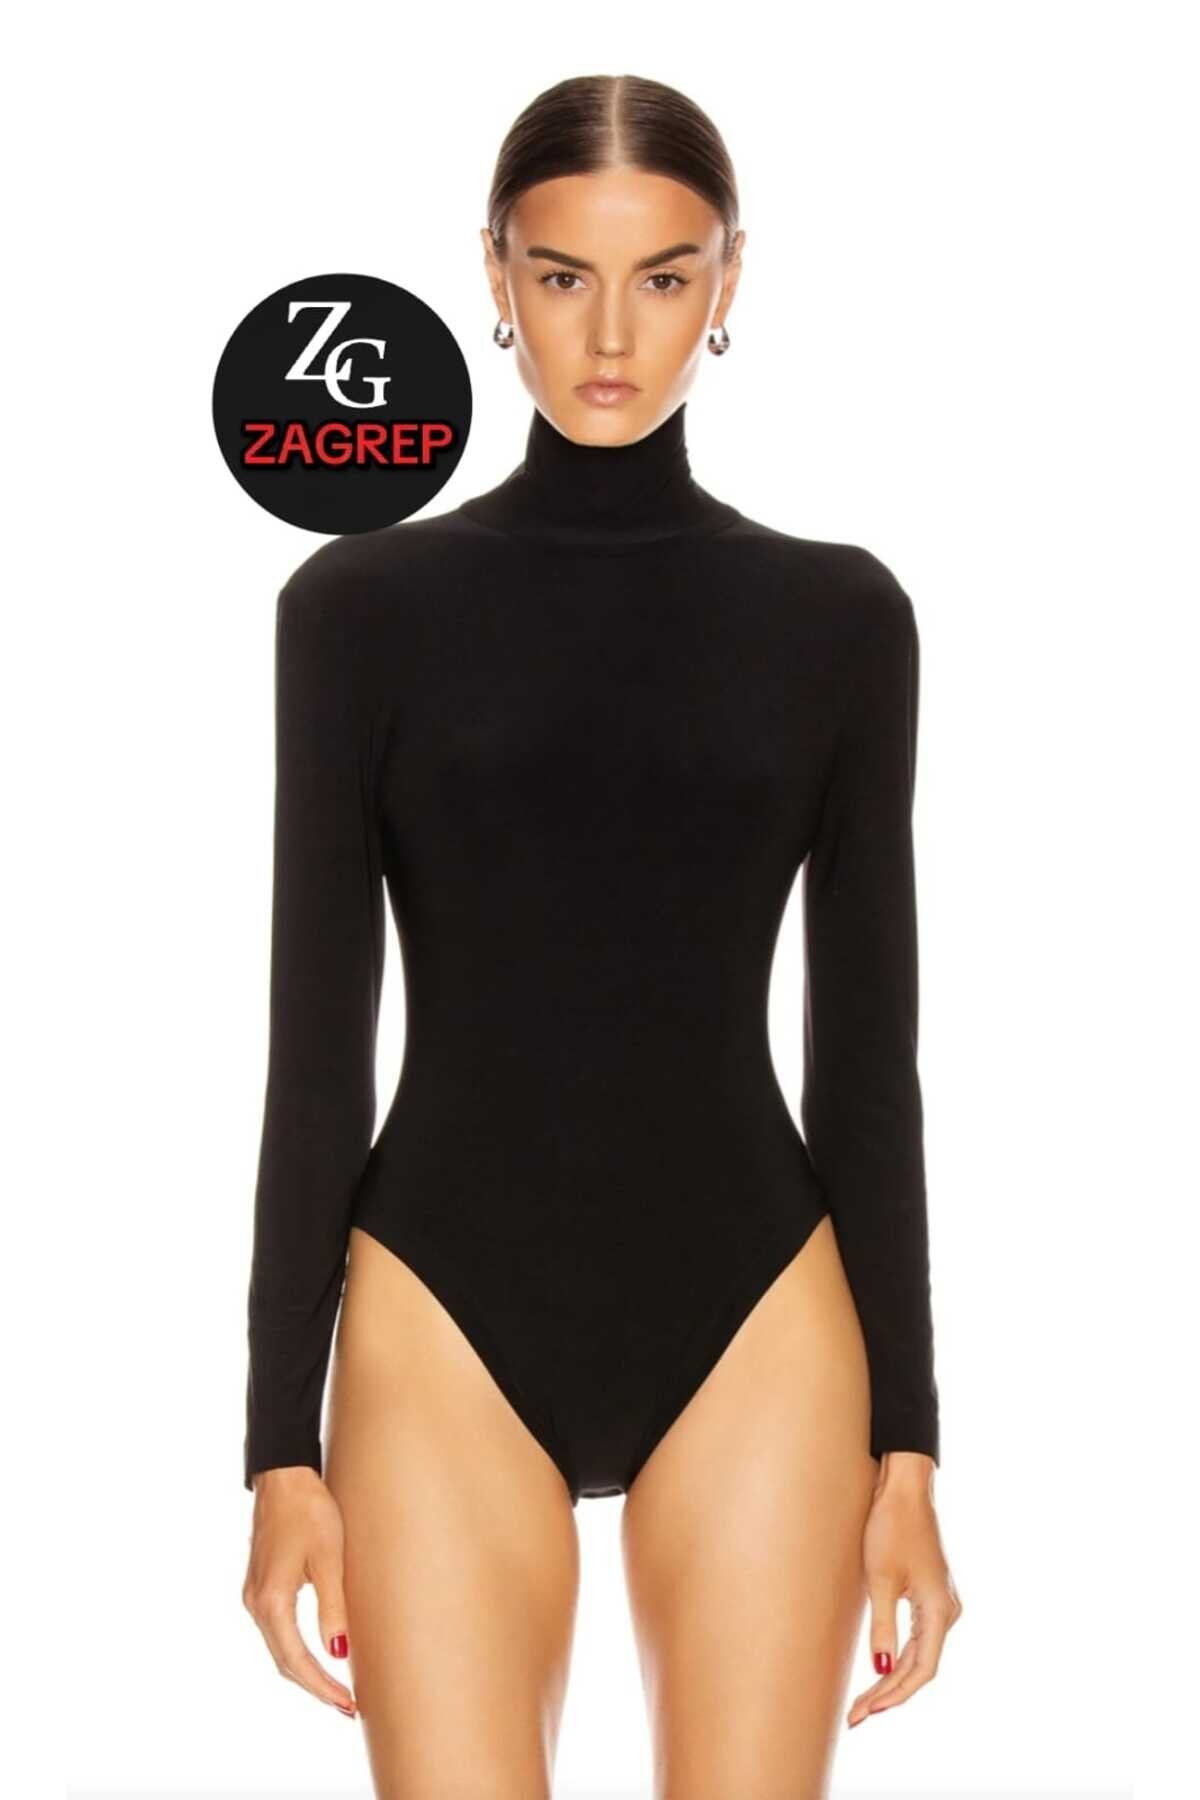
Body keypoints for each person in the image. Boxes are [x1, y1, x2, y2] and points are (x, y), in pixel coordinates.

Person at [241, 72, 963, 1800]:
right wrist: (275, 1449)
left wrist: (912, 1449)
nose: (614, 335)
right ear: (496, 275)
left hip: (759, 1307)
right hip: (440, 1306)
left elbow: (868, 1068)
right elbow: (315, 1053)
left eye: (665, 276)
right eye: (565, 276)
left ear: (730, 281)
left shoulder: (841, 619)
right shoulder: (356, 612)